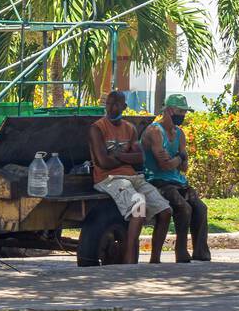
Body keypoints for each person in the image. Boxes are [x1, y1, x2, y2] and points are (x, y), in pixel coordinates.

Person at [88, 90, 172, 264]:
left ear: (124, 107)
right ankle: (129, 255)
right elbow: (103, 162)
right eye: (109, 104)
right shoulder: (97, 128)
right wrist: (125, 158)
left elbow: (140, 159)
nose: (111, 108)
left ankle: (155, 259)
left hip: (132, 177)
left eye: (116, 104)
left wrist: (118, 157)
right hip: (109, 179)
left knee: (165, 211)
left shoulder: (130, 129)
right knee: (139, 206)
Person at [141, 93, 211, 263]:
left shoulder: (180, 133)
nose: (184, 115)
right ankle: (181, 251)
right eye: (181, 111)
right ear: (170, 110)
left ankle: (201, 252)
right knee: (184, 208)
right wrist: (179, 158)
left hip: (178, 181)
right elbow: (164, 165)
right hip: (158, 181)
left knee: (200, 208)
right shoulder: (155, 131)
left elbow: (184, 167)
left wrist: (177, 160)